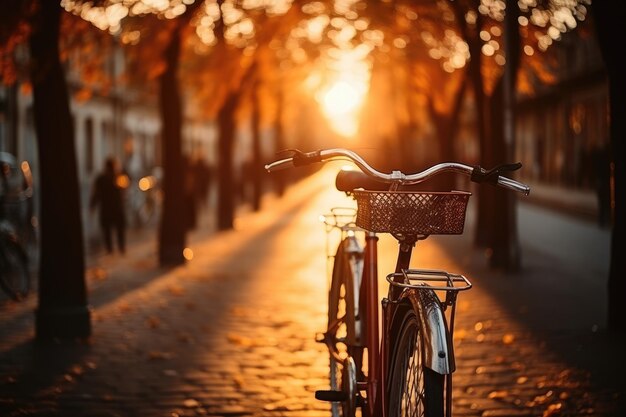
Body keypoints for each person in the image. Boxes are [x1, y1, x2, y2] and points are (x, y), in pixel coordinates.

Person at [90, 156, 127, 254]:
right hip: (117, 208)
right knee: (119, 230)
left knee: (107, 231)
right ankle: (121, 248)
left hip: (106, 209)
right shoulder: (118, 177)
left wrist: (92, 205)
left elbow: (96, 194)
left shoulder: (101, 179)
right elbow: (124, 190)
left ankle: (110, 249)